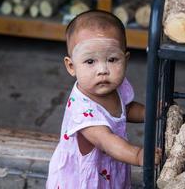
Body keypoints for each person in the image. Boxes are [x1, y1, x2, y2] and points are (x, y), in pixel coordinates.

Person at [46, 10, 161, 189]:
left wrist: (150, 112)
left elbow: (127, 109)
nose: (103, 70)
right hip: (85, 180)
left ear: (125, 59)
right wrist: (138, 155)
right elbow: (106, 142)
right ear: (71, 66)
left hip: (109, 168)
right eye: (90, 62)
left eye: (112, 59)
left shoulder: (116, 87)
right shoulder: (81, 110)